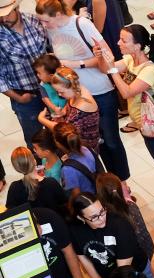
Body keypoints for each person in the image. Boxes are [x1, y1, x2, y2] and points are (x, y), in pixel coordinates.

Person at [36, 0, 131, 183]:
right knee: (89, 145)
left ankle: (123, 183)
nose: (43, 25)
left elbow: (107, 56)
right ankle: (106, 182)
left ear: (57, 15)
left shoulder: (81, 24)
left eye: (45, 21)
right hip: (73, 96)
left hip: (99, 91)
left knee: (110, 141)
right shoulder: (51, 29)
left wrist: (74, 64)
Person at [95, 24, 154, 162]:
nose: (118, 43)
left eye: (124, 40)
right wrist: (101, 58)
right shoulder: (130, 59)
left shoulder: (148, 70)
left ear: (137, 46)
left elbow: (126, 93)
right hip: (143, 123)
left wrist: (112, 68)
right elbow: (104, 69)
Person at [67, 189, 149, 278]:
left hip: (135, 271)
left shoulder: (119, 224)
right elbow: (82, 256)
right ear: (81, 218)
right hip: (109, 277)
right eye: (94, 217)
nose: (101, 219)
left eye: (102, 211)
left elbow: (123, 268)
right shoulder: (75, 230)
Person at [0, 1, 52, 146]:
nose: (3, 19)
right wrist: (18, 98)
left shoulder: (35, 21)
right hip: (26, 97)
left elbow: (51, 48)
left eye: (7, 14)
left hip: (52, 90)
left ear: (16, 8)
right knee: (36, 142)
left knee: (60, 135)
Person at [36, 66, 100, 154]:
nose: (59, 94)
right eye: (57, 91)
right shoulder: (75, 93)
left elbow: (65, 131)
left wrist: (42, 119)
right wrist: (62, 115)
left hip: (85, 150)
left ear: (72, 86)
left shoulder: (83, 105)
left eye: (61, 92)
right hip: (76, 146)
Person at [9, 143, 68, 215]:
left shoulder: (14, 188)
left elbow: (11, 212)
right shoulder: (51, 183)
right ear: (34, 161)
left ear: (16, 168)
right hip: (55, 223)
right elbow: (64, 205)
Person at [53, 121, 97, 193]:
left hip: (87, 198)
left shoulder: (67, 169)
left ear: (58, 143)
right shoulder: (86, 149)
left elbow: (75, 194)